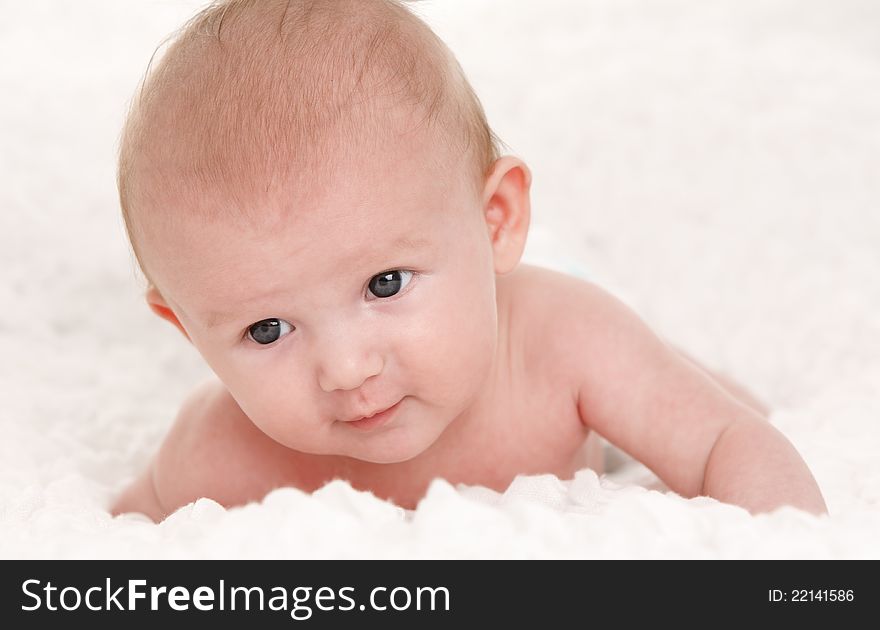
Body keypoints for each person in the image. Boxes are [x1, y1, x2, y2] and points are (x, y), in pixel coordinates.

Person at [111, 0, 827, 522]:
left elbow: (727, 444)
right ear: (186, 329)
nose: (346, 370)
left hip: (540, 308)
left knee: (656, 375)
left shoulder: (561, 345)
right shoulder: (212, 457)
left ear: (497, 220)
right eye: (267, 330)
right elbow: (107, 548)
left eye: (384, 285)